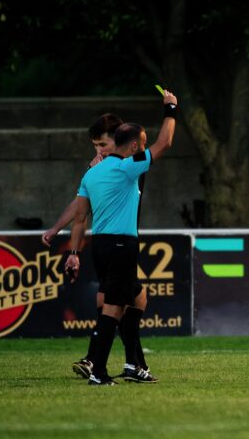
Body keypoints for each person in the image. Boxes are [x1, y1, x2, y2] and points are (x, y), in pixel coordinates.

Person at [64, 90, 178, 385]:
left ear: (113, 141)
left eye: (102, 143)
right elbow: (164, 143)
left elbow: (79, 214)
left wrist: (72, 251)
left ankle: (131, 365)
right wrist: (171, 109)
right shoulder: (129, 167)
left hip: (99, 244)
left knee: (136, 299)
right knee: (113, 307)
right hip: (121, 244)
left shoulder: (91, 173)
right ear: (134, 146)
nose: (99, 150)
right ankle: (98, 370)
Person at [42, 113, 131, 379]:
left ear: (118, 139)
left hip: (123, 241)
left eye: (102, 145)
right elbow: (81, 208)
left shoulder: (130, 164)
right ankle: (114, 363)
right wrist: (59, 231)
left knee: (121, 302)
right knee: (119, 302)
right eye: (95, 146)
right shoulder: (98, 169)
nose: (98, 151)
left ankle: (117, 362)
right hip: (113, 244)